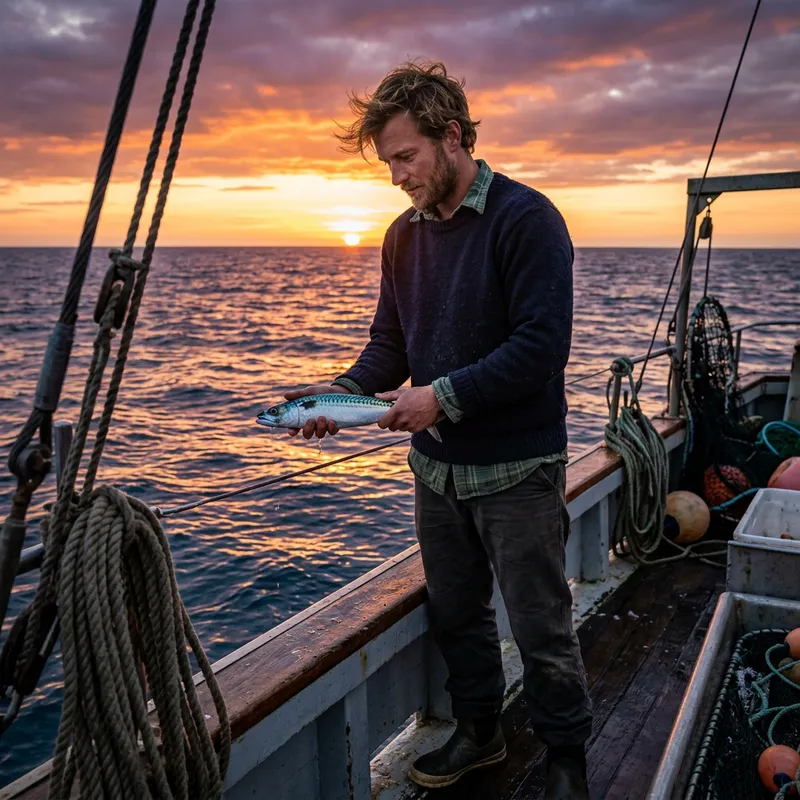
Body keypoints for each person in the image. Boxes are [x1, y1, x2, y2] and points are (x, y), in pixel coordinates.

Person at [285, 60, 592, 798]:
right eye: (389, 161)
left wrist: (442, 397)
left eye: (404, 156)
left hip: (518, 472)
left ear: (451, 136)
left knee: (541, 627)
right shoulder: (400, 237)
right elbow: (390, 347)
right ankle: (481, 732)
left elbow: (541, 347)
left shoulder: (528, 219)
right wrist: (344, 394)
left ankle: (567, 760)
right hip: (436, 474)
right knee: (457, 616)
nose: (395, 175)